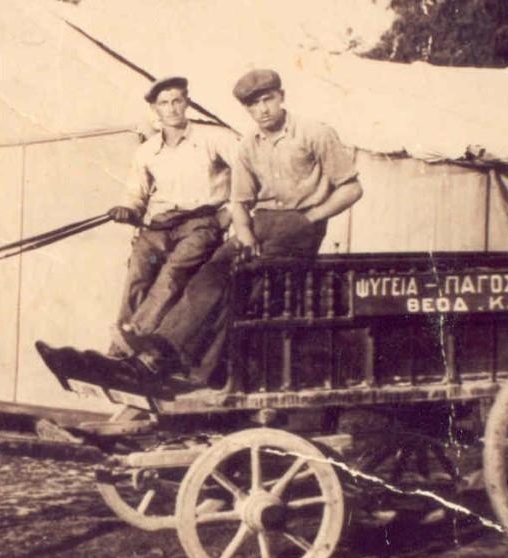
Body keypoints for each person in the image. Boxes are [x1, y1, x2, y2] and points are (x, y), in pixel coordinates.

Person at [128, 68, 363, 385]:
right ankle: (163, 355)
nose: (262, 110)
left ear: (281, 97)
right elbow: (239, 201)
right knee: (208, 276)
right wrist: (246, 232)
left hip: (300, 223)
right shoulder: (249, 144)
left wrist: (310, 218)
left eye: (268, 100)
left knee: (242, 287)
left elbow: (351, 189)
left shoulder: (314, 133)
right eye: (253, 105)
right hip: (258, 223)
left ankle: (186, 366)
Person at [106, 76, 238, 357]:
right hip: (159, 226)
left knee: (172, 273)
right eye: (164, 103)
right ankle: (122, 349)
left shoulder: (214, 139)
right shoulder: (147, 151)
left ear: (187, 102)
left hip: (200, 224)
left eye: (177, 100)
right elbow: (135, 194)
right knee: (138, 271)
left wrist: (230, 212)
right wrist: (127, 209)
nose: (172, 108)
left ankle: (131, 341)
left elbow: (249, 173)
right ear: (155, 109)